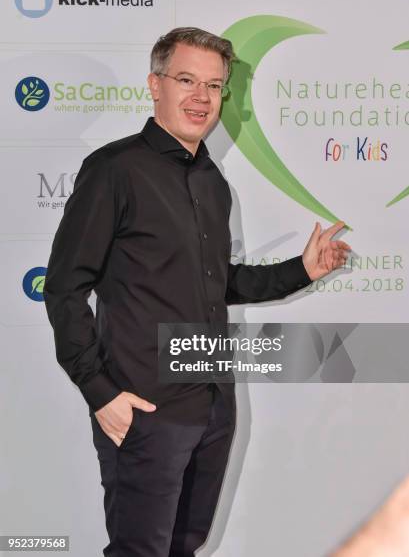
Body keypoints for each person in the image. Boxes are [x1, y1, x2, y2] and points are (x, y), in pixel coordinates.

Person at [43, 27, 350, 557]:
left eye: (214, 85)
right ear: (154, 85)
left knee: (186, 546)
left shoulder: (212, 181)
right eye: (187, 79)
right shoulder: (115, 170)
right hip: (143, 406)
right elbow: (65, 288)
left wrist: (301, 269)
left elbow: (217, 282)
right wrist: (101, 393)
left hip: (212, 405)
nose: (202, 97)